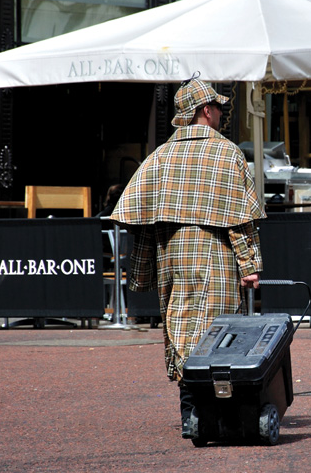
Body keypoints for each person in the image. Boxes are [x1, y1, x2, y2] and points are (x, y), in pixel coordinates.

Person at [110, 77, 265, 441]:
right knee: (220, 338)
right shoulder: (227, 153)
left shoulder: (159, 156)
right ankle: (218, 415)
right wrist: (250, 266)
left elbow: (143, 224)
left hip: (172, 261)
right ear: (206, 111)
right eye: (220, 108)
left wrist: (142, 272)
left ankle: (190, 413)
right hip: (218, 260)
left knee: (181, 332)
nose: (222, 113)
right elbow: (241, 221)